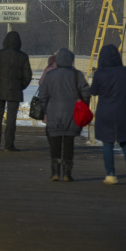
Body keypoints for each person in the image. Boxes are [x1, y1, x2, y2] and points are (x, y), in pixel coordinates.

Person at [90, 44, 126, 185]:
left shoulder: (100, 73)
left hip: (105, 112)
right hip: (122, 112)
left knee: (107, 144)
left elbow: (93, 91)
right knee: (125, 143)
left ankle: (110, 175)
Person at [39, 48, 90, 182]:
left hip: (54, 112)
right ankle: (67, 173)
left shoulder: (50, 75)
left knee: (55, 143)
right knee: (69, 142)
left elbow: (43, 95)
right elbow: (86, 92)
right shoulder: (77, 75)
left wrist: (46, 109)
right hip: (72, 112)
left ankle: (55, 172)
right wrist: (84, 106)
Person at [0, 31, 32, 151]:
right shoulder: (23, 57)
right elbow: (28, 76)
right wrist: (20, 86)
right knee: (11, 119)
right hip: (14, 92)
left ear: (5, 41)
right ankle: (9, 145)